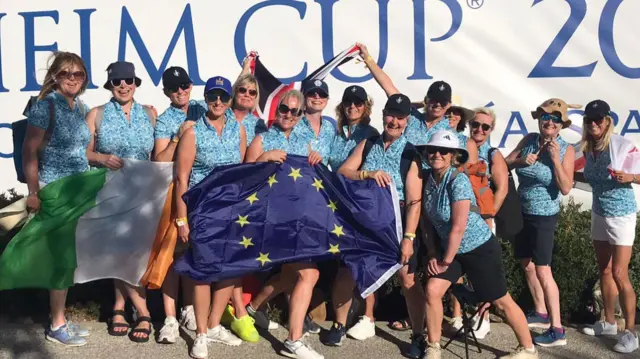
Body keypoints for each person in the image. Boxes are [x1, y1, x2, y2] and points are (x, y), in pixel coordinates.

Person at [421, 130, 538, 359]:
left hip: (479, 248)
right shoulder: (428, 181)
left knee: (500, 301)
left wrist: (444, 262)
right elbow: (428, 222)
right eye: (432, 150)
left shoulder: (459, 180)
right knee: (433, 290)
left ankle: (528, 349)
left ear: (454, 156)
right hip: (451, 251)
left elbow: (458, 227)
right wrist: (434, 253)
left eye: (443, 151)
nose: (437, 154)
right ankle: (433, 347)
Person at [331, 94, 425, 359]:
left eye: (400, 117)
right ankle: (339, 325)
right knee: (348, 272)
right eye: (390, 115)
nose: (394, 121)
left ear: (407, 121)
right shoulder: (369, 142)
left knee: (408, 280)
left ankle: (418, 336)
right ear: (383, 115)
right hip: (363, 224)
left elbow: (415, 201)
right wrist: (367, 174)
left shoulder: (411, 153)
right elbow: (343, 172)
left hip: (396, 226)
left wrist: (408, 237)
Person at [245, 79, 337, 334]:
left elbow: (313, 174)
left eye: (294, 112)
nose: (288, 115)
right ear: (277, 110)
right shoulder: (262, 139)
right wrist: (264, 159)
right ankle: (294, 339)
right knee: (309, 275)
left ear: (299, 116)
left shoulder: (304, 141)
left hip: (299, 219)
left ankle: (252, 309)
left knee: (289, 274)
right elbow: (244, 181)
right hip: (270, 219)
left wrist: (316, 159)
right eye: (284, 109)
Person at [173, 76, 249, 359]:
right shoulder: (193, 133)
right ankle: (201, 334)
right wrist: (182, 220)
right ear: (205, 99)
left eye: (223, 97)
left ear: (230, 100)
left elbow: (242, 172)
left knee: (229, 269)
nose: (218, 102)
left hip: (232, 211)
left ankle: (215, 324)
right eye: (213, 96)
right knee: (203, 273)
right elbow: (182, 179)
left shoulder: (238, 130)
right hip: (202, 211)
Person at [85, 61, 158, 343]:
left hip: (144, 193)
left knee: (137, 254)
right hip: (112, 192)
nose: (124, 85)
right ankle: (142, 310)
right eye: (117, 81)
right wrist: (101, 158)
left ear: (136, 82)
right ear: (110, 86)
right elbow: (82, 152)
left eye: (128, 80)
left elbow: (157, 153)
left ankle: (118, 306)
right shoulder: (97, 114)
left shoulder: (150, 115)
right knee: (119, 251)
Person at [22, 51, 91, 347]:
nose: (72, 79)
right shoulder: (45, 107)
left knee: (68, 259)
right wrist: (34, 192)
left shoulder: (80, 107)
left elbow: (82, 152)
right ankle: (56, 324)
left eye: (77, 74)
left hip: (78, 191)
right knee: (60, 258)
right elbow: (29, 151)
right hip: (55, 191)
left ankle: (60, 317)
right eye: (66, 74)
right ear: (55, 77)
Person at [505, 98, 576, 347]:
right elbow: (503, 163)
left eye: (555, 119)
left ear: (561, 126)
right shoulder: (529, 140)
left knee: (544, 269)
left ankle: (558, 330)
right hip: (521, 211)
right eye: (546, 117)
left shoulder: (566, 149)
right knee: (526, 264)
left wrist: (555, 160)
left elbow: (566, 187)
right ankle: (541, 313)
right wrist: (519, 162)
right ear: (539, 120)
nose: (549, 122)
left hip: (545, 214)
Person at [577, 100, 639, 354]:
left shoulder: (621, 145)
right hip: (600, 212)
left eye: (598, 119)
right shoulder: (586, 148)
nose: (593, 124)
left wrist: (632, 177)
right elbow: (588, 177)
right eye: (589, 120)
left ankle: (631, 332)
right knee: (604, 270)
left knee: (619, 273)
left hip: (622, 215)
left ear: (607, 121)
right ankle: (610, 323)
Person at [152, 66, 205, 343]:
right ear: (166, 92)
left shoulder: (204, 108)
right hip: (173, 192)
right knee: (172, 255)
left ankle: (189, 309)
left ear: (191, 85)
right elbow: (160, 161)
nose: (180, 91)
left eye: (184, 85)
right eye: (174, 88)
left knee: (194, 253)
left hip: (201, 191)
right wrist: (177, 137)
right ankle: (170, 318)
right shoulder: (164, 120)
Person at [358, 43, 478, 163]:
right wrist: (368, 59)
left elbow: (467, 166)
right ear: (426, 100)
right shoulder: (412, 116)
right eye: (434, 100)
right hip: (402, 175)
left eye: (443, 102)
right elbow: (388, 87)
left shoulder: (452, 133)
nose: (438, 104)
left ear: (448, 105)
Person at [328, 85, 379, 171]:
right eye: (348, 102)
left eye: (358, 103)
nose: (352, 106)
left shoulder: (371, 134)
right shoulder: (337, 135)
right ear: (342, 106)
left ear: (365, 106)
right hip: (333, 183)